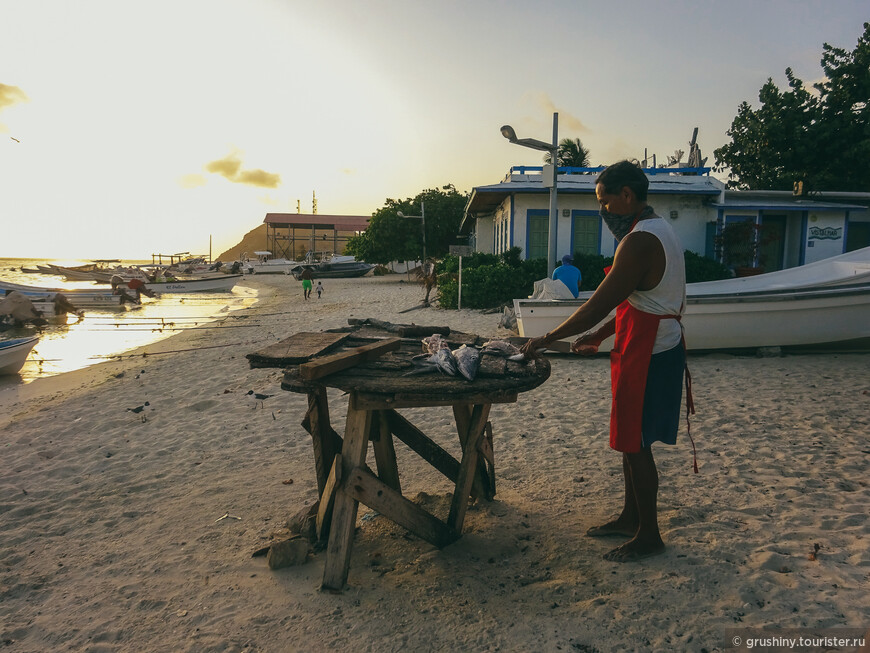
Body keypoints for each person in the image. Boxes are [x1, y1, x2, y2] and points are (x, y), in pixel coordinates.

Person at [521, 160, 690, 563]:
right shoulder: (660, 229)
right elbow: (639, 299)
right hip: (646, 342)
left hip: (650, 350)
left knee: (637, 444)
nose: (603, 212)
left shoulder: (639, 241)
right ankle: (630, 517)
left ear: (627, 196)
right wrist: (598, 336)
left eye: (605, 202)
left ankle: (649, 535)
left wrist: (547, 338)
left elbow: (597, 304)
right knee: (631, 440)